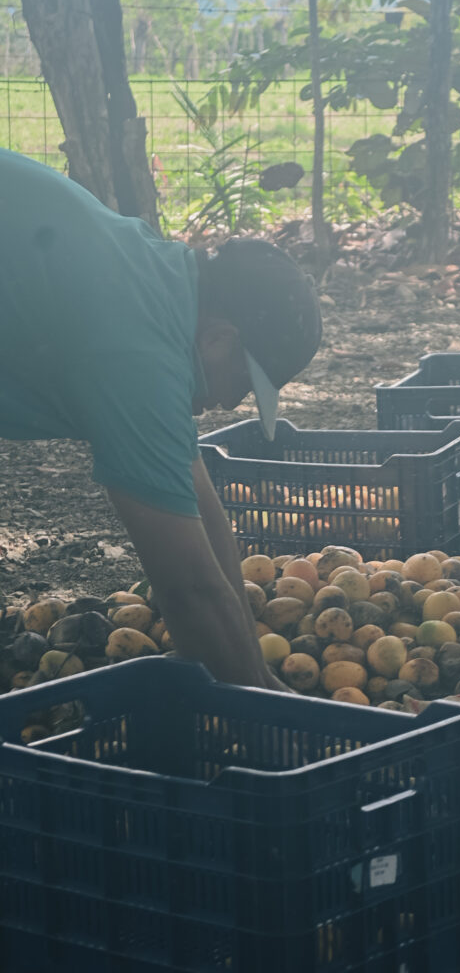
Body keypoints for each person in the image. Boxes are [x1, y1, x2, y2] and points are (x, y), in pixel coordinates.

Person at [0, 147, 322, 690]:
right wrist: (270, 716)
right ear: (221, 340)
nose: (228, 406)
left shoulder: (158, 282)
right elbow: (188, 587)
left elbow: (196, 501)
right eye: (242, 384)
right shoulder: (138, 352)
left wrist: (260, 675)